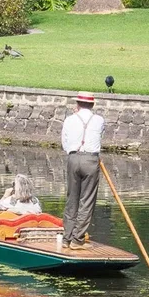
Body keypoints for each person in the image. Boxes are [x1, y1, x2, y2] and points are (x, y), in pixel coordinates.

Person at [60, 91, 104, 249]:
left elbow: (64, 142)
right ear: (92, 105)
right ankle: (78, 240)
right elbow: (99, 135)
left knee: (72, 199)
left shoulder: (69, 120)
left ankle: (67, 238)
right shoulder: (99, 120)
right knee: (87, 200)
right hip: (91, 159)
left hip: (73, 158)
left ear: (77, 104)